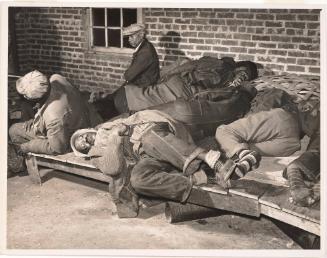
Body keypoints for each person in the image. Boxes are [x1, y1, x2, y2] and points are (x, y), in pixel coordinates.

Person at [70, 109, 248, 218]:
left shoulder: (107, 125)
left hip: (156, 136)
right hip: (147, 158)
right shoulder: (96, 155)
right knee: (138, 180)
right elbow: (113, 167)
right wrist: (115, 138)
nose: (86, 141)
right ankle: (199, 176)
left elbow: (136, 117)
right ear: (86, 152)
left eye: (83, 137)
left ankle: (209, 159)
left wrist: (125, 126)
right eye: (83, 146)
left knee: (150, 138)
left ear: (87, 130)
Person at [91, 57, 258, 120]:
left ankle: (98, 105)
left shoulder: (224, 76)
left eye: (247, 76)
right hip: (176, 91)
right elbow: (193, 69)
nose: (244, 77)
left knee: (108, 106)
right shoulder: (223, 68)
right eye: (244, 72)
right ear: (238, 67)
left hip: (130, 93)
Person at [215, 94, 320, 184]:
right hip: (292, 144)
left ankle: (243, 155)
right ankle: (244, 159)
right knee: (246, 147)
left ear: (306, 108)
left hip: (286, 119)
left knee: (223, 131)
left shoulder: (314, 106)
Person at [9, 70, 102, 157]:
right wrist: (37, 118)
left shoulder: (53, 118)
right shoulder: (57, 78)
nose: (25, 97)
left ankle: (21, 161)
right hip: (82, 116)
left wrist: (27, 147)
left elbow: (57, 149)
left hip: (73, 134)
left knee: (14, 130)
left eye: (26, 96)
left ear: (36, 99)